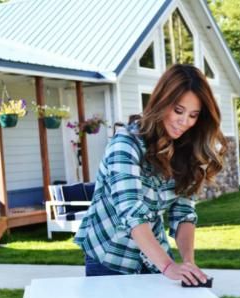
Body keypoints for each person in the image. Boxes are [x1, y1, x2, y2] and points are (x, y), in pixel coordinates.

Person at [74, 64, 227, 285]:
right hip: (108, 258)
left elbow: (184, 212)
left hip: (152, 259)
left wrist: (188, 263)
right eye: (178, 111)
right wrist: (167, 266)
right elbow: (131, 212)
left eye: (193, 115)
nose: (184, 122)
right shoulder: (125, 145)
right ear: (162, 102)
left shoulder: (186, 151)